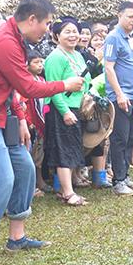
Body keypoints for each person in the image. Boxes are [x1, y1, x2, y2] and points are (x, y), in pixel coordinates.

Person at [0, 0, 84, 265]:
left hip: (2, 115)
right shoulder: (5, 41)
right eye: (47, 23)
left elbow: (10, 86)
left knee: (25, 168)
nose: (47, 30)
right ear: (32, 19)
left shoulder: (15, 39)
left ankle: (17, 236)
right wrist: (64, 85)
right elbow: (27, 86)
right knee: (0, 179)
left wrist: (21, 118)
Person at [42, 19, 89, 206]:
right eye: (67, 32)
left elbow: (86, 79)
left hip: (77, 107)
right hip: (62, 109)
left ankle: (66, 189)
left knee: (72, 149)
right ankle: (68, 193)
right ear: (56, 36)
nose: (72, 35)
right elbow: (52, 88)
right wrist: (65, 112)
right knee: (63, 151)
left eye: (75, 31)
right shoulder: (55, 57)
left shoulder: (78, 55)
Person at [104, 2, 133, 197]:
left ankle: (124, 175)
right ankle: (118, 181)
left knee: (130, 138)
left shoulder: (129, 38)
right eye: (130, 16)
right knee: (119, 139)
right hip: (120, 97)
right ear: (119, 15)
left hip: (132, 96)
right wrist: (119, 94)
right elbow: (109, 67)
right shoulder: (113, 38)